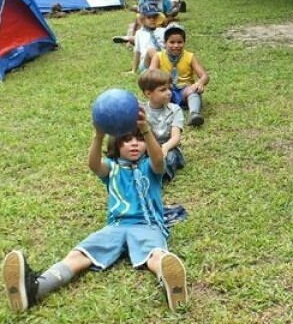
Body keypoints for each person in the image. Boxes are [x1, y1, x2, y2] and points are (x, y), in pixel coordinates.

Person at [2, 107, 189, 313]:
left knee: (156, 255)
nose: (134, 143)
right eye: (126, 140)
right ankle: (35, 288)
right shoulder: (112, 168)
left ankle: (171, 283)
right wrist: (98, 136)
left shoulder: (151, 167)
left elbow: (159, 160)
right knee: (77, 255)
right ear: (116, 145)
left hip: (147, 225)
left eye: (139, 139)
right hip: (115, 227)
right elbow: (93, 165)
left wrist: (146, 130)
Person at [149, 24, 209, 127]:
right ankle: (161, 111)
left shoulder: (190, 56)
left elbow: (204, 76)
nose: (176, 45)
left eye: (179, 42)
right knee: (159, 92)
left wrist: (199, 83)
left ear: (184, 42)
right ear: (165, 43)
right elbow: (151, 74)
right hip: (167, 89)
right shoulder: (158, 56)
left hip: (184, 90)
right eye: (172, 42)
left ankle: (194, 114)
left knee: (193, 91)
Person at [138, 69, 186, 180]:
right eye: (163, 90)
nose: (169, 92)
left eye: (169, 88)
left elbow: (176, 137)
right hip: (148, 148)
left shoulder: (174, 110)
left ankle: (159, 178)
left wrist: (165, 148)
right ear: (148, 93)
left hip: (169, 148)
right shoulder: (141, 110)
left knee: (169, 159)